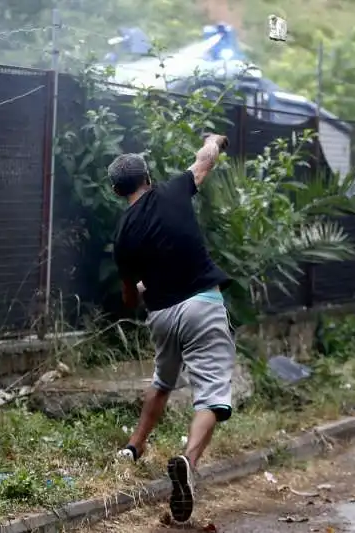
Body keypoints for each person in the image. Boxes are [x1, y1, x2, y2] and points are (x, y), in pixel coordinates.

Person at [109, 134, 234, 523]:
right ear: (147, 177)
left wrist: (144, 286)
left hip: (162, 315)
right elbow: (205, 160)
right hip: (203, 306)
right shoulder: (175, 190)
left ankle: (133, 446)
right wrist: (213, 140)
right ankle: (188, 461)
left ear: (117, 190)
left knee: (163, 380)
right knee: (212, 395)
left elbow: (130, 298)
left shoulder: (123, 235)